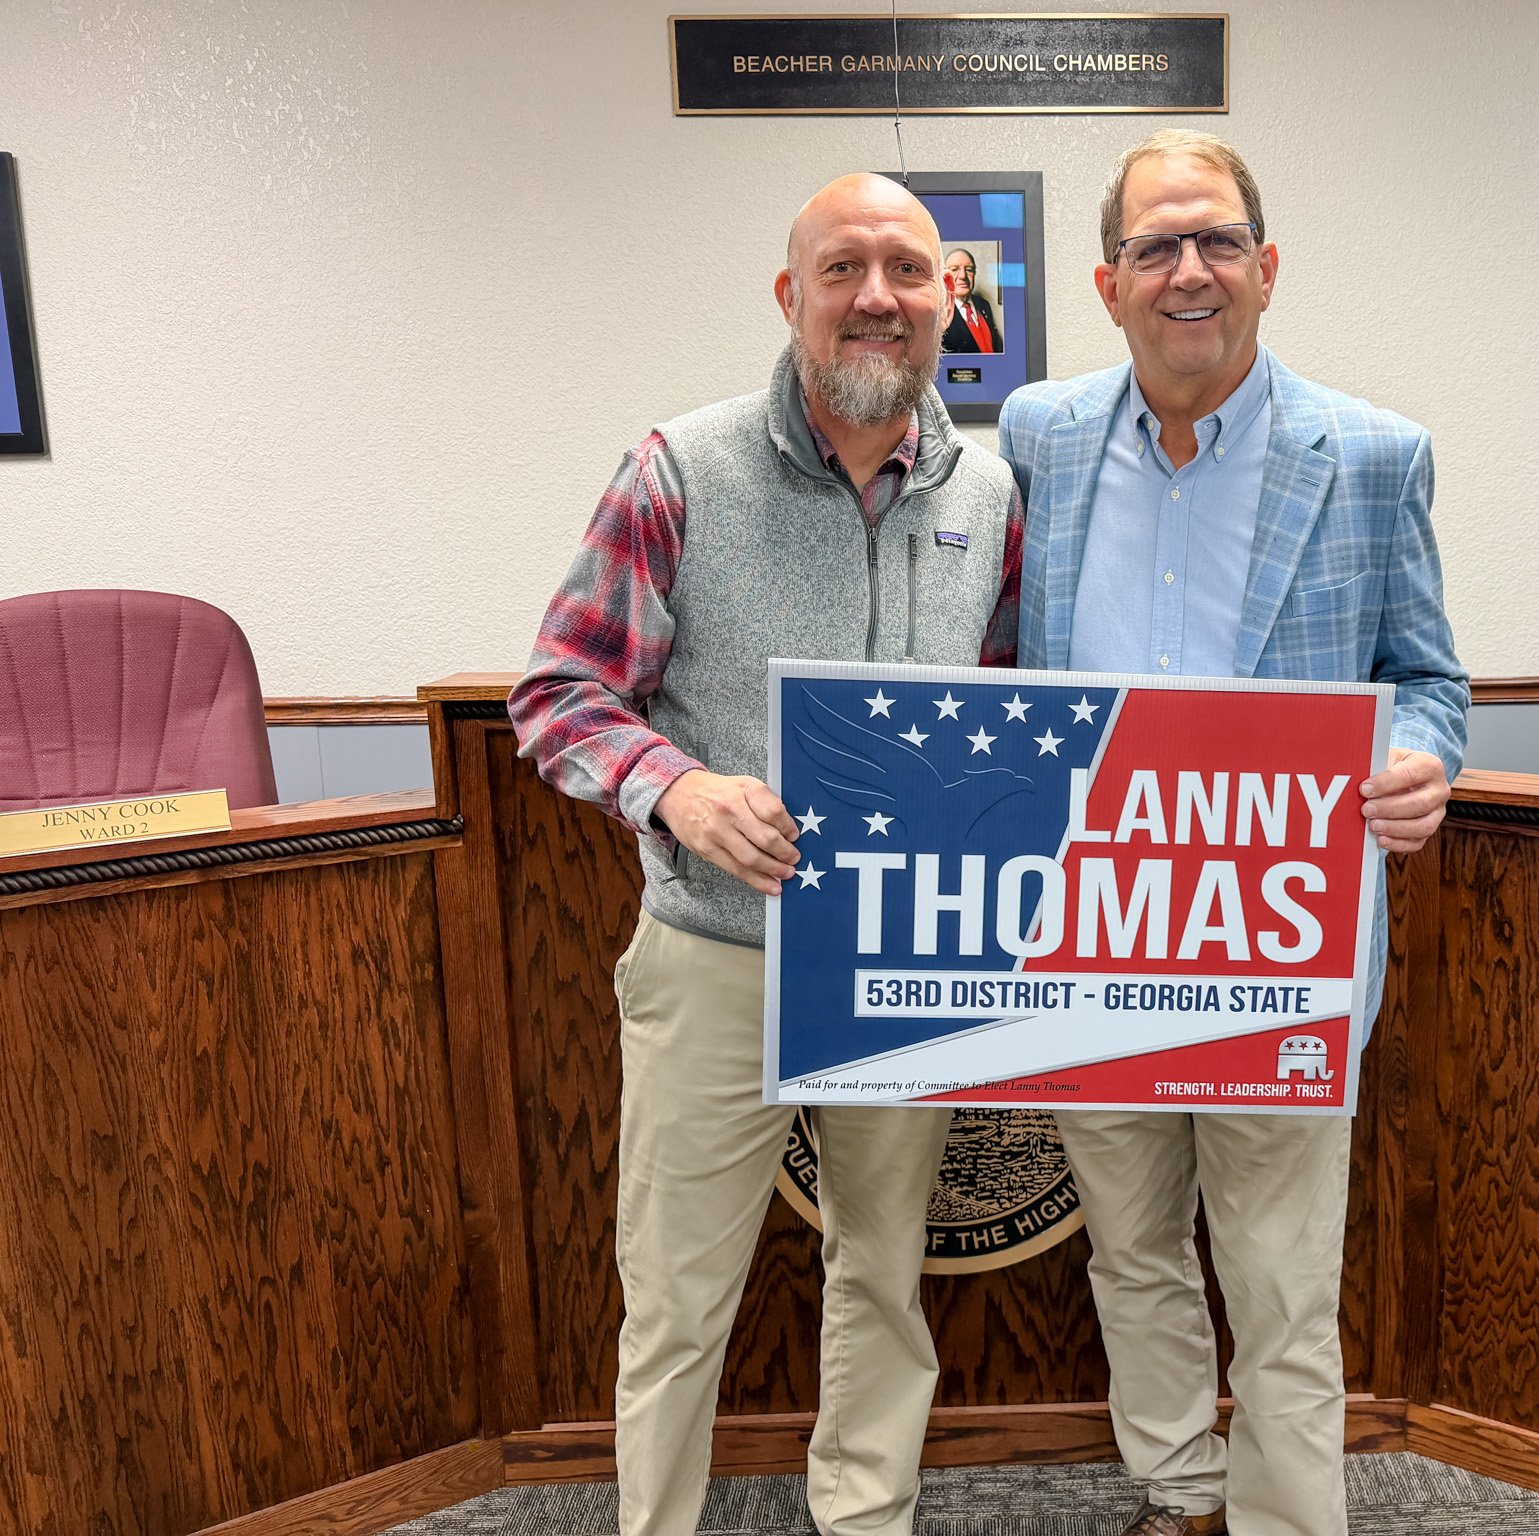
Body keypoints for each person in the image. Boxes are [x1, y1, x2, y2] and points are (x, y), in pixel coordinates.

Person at [509, 171, 1022, 1536]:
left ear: (948, 301)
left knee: (882, 1272)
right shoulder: (682, 468)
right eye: (842, 268)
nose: (878, 298)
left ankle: (867, 1516)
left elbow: (1016, 710)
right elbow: (557, 692)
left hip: (896, 967)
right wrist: (672, 791)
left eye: (909, 271)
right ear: (789, 295)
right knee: (678, 1297)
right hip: (715, 958)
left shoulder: (990, 491)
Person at [998, 130, 1468, 1536]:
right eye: (1155, 246)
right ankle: (1178, 1494)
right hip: (1093, 935)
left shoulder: (1376, 457)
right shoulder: (1039, 436)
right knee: (1132, 1253)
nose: (1186, 271)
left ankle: (1281, 1519)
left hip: (1284, 947)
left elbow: (1431, 676)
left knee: (1277, 1279)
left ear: (1266, 270)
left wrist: (1420, 759)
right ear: (1107, 279)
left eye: (1214, 244)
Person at [941, 246, 1004, 354]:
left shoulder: (984, 304)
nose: (963, 276)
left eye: (969, 269)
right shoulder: (940, 313)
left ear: (974, 273)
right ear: (945, 276)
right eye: (955, 269)